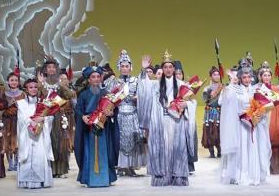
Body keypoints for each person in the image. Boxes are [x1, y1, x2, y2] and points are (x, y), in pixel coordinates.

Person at [139, 51, 192, 186]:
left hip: (177, 121)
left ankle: (178, 176)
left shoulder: (181, 84)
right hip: (161, 121)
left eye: (170, 67)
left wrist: (187, 105)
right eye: (165, 67)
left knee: (176, 148)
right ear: (162, 69)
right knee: (162, 148)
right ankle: (161, 176)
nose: (168, 69)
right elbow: (144, 88)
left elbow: (191, 101)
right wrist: (144, 70)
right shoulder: (155, 85)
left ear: (174, 69)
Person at [219, 61, 271, 185]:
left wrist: (258, 115)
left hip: (254, 124)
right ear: (240, 78)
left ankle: (253, 175)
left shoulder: (257, 89)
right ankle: (240, 175)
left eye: (249, 77)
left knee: (253, 148)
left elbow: (265, 105)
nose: (247, 79)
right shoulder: (235, 90)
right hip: (240, 124)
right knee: (241, 149)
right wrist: (231, 84)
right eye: (244, 77)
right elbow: (226, 102)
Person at [74, 65, 119, 187]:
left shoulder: (106, 93)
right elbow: (78, 110)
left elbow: (114, 108)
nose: (96, 79)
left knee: (105, 151)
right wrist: (83, 117)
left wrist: (111, 113)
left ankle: (106, 178)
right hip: (89, 128)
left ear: (101, 78)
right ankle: (89, 179)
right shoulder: (83, 94)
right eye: (93, 77)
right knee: (89, 152)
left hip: (104, 127)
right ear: (89, 79)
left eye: (98, 76)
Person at [105, 49, 147, 177]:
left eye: (126, 66)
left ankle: (130, 166)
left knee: (133, 141)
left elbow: (144, 90)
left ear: (130, 67)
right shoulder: (114, 82)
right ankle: (119, 166)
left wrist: (138, 98)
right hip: (119, 115)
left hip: (133, 114)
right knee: (119, 140)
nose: (124, 68)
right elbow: (108, 97)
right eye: (122, 66)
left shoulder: (136, 80)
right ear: (119, 67)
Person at [37, 56, 76, 178]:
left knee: (59, 143)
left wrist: (63, 88)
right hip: (44, 117)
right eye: (49, 67)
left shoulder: (59, 84)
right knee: (47, 142)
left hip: (58, 117)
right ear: (45, 69)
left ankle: (60, 170)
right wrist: (40, 84)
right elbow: (36, 97)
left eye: (53, 67)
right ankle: (49, 170)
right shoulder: (41, 84)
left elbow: (71, 95)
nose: (51, 69)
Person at [16, 78, 54, 188]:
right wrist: (30, 121)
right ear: (26, 89)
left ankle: (42, 181)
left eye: (35, 87)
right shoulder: (21, 104)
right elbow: (21, 119)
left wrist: (43, 119)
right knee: (27, 155)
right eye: (31, 87)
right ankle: (26, 181)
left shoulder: (44, 103)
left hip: (40, 134)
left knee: (40, 155)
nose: (33, 89)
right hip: (27, 135)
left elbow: (50, 117)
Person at [174, 60, 198, 174]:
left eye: (180, 74)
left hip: (186, 118)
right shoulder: (170, 87)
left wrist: (186, 104)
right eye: (176, 74)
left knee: (186, 141)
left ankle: (188, 166)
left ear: (182, 75)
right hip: (174, 117)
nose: (178, 76)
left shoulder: (188, 87)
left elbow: (194, 102)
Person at [2, 71, 25, 171]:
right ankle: (10, 163)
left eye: (16, 80)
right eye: (12, 80)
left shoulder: (23, 94)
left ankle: (16, 162)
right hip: (7, 121)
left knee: (17, 141)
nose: (14, 82)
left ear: (18, 82)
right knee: (7, 140)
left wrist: (18, 105)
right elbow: (1, 108)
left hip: (18, 120)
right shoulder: (4, 94)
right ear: (8, 82)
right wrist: (9, 103)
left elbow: (26, 108)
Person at [201, 66, 223, 158]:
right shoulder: (207, 88)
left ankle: (220, 151)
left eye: (218, 74)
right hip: (210, 113)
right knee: (209, 130)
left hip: (220, 112)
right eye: (214, 74)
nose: (217, 76)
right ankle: (211, 152)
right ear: (211, 76)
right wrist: (216, 91)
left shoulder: (224, 87)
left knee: (220, 131)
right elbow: (206, 99)